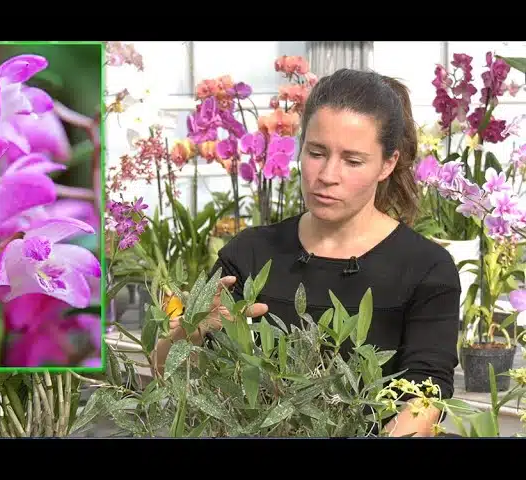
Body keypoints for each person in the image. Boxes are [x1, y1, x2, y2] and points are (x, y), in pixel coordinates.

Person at [153, 68, 461, 438]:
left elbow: (426, 393)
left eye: (353, 160)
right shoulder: (251, 253)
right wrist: (191, 331)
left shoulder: (426, 268)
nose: (327, 174)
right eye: (316, 153)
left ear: (388, 163)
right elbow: (162, 372)